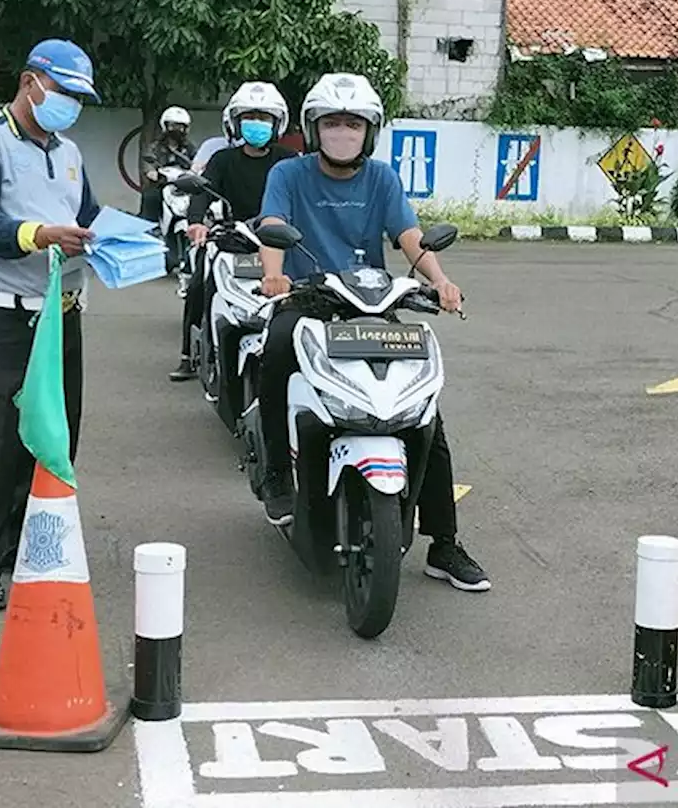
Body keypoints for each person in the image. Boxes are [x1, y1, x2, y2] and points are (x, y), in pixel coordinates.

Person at [254, 72, 490, 592]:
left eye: (353, 123)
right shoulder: (288, 175)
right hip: (308, 299)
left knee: (423, 410)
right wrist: (274, 273)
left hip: (370, 304)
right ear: (314, 129)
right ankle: (276, 470)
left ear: (370, 131)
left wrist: (442, 282)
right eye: (332, 123)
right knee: (275, 351)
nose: (343, 132)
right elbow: (272, 224)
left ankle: (444, 544)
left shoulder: (381, 178)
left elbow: (408, 235)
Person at [0, 38, 102, 611]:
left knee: (53, 438)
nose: (71, 106)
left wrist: (121, 239)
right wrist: (38, 235)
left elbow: (85, 217)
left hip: (59, 317)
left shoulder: (68, 152)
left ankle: (26, 545)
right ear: (29, 81)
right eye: (64, 92)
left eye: (80, 98)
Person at [170, 82, 298, 383]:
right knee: (201, 283)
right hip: (233, 237)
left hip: (280, 238)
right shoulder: (223, 159)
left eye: (264, 117)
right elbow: (202, 192)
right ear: (235, 122)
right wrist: (197, 221)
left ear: (277, 123)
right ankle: (189, 355)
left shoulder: (289, 161)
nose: (257, 123)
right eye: (250, 116)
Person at [139, 105, 198, 221]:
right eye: (173, 126)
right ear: (165, 126)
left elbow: (197, 162)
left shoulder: (190, 148)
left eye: (180, 127)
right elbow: (148, 164)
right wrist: (152, 172)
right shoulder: (155, 147)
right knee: (150, 196)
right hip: (162, 184)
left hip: (184, 185)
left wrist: (196, 170)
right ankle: (150, 227)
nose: (177, 130)